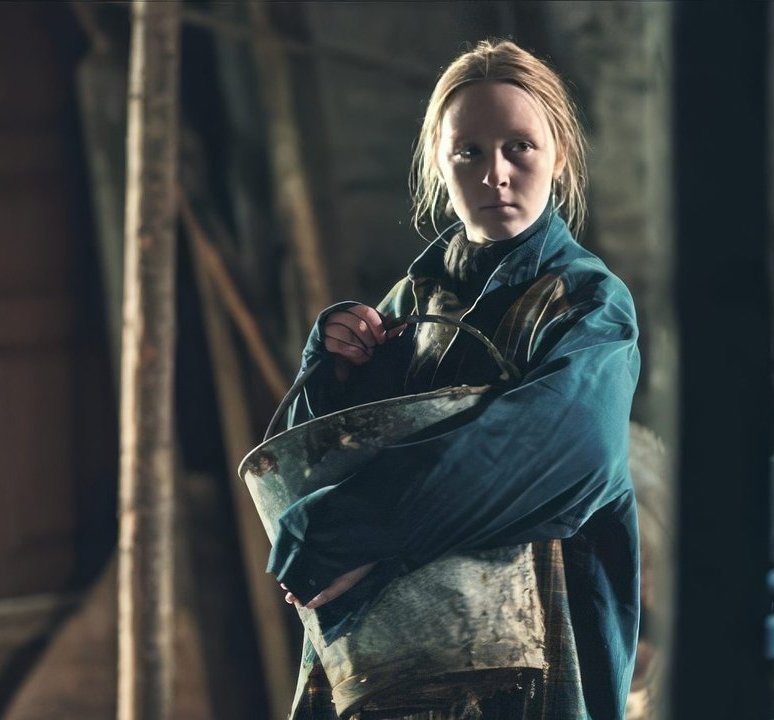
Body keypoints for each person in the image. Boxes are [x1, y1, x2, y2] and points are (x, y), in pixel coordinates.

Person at [270, 39, 641, 720]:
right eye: (468, 151)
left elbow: (561, 455)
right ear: (439, 166)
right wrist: (330, 375)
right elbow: (321, 466)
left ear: (556, 156)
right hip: (392, 675)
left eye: (519, 147)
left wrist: (354, 535)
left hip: (534, 678)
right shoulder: (410, 305)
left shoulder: (588, 305)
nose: (494, 172)